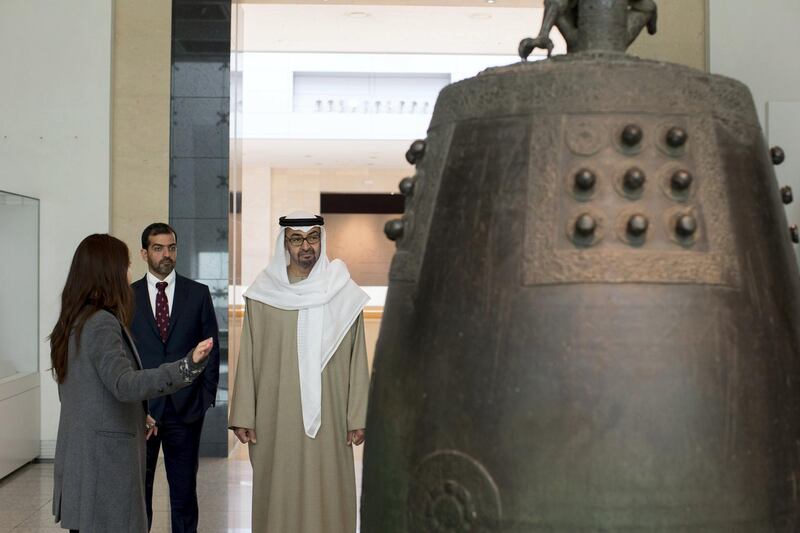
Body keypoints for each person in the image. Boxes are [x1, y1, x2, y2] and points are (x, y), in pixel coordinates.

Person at [50, 234, 213, 533]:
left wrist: (139, 414)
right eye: (124, 266)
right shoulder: (101, 323)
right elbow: (123, 383)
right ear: (108, 271)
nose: (128, 274)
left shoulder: (75, 319)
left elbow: (89, 391)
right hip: (104, 464)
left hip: (84, 460)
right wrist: (186, 367)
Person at [229, 211, 371, 533]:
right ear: (285, 243)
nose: (306, 246)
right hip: (275, 416)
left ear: (322, 239)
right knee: (279, 491)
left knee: (329, 491)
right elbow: (249, 355)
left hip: (332, 420)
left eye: (313, 237)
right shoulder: (263, 294)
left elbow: (356, 359)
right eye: (296, 239)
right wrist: (243, 415)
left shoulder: (343, 293)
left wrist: (358, 415)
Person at [130, 223, 220, 533]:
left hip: (186, 411)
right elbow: (125, 356)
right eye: (158, 248)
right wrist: (134, 406)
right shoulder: (127, 297)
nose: (166, 254)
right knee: (139, 495)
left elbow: (211, 348)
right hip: (143, 413)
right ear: (144, 253)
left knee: (183, 496)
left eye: (171, 247)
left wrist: (205, 398)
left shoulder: (198, 294)